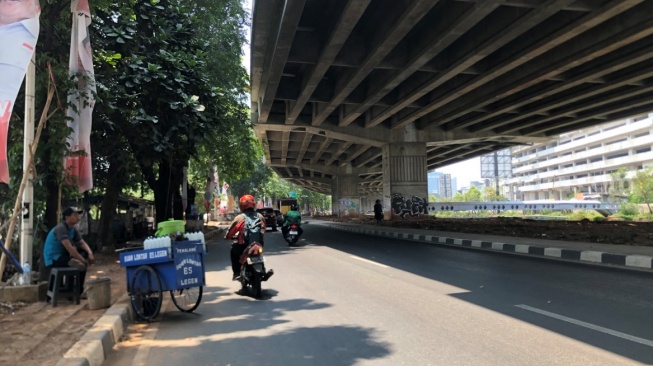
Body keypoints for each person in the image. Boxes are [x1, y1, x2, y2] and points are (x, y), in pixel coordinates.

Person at [43, 206, 95, 299]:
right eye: (74, 215)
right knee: (80, 266)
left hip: (63, 255)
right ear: (67, 217)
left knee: (83, 253)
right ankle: (76, 293)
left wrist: (90, 253)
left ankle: (74, 292)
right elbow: (70, 248)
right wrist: (83, 260)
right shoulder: (61, 228)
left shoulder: (73, 229)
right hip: (53, 258)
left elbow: (81, 242)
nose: (77, 217)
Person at [224, 194, 266, 281]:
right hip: (258, 244)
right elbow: (264, 229)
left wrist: (228, 237)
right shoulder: (260, 216)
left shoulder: (239, 218)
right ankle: (263, 270)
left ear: (242, 205)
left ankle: (236, 273)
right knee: (260, 253)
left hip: (243, 245)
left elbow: (231, 233)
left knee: (233, 251)